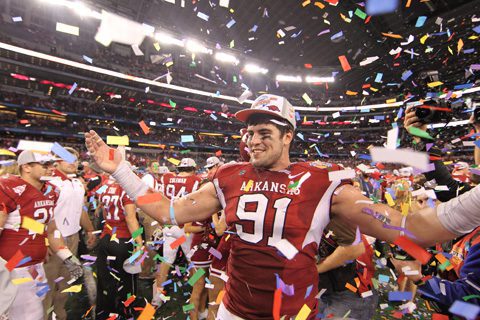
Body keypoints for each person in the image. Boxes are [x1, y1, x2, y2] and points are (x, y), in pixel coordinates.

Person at [85, 94, 480, 319]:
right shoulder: (228, 176)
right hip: (234, 311)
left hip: (291, 314)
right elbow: (168, 212)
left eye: (264, 132)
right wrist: (121, 170)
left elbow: (413, 229)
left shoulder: (328, 184)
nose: (252, 141)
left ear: (288, 136)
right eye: (249, 132)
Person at [0, 150, 83, 320]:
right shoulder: (9, 188)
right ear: (27, 167)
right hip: (14, 266)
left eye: (52, 164)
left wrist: (67, 256)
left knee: (38, 310)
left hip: (36, 266)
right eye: (45, 165)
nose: (51, 168)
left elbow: (51, 230)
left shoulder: (51, 191)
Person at [43, 147, 96, 320]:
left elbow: (80, 210)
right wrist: (43, 241)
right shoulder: (49, 184)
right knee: (48, 284)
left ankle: (60, 314)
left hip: (73, 237)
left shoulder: (77, 183)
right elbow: (40, 214)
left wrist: (89, 229)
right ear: (57, 161)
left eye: (75, 159)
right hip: (53, 239)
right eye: (68, 159)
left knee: (65, 282)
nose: (74, 163)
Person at [152, 158, 201, 306]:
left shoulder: (167, 178)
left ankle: (157, 299)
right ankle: (195, 295)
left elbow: (157, 199)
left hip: (169, 226)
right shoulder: (196, 180)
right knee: (193, 263)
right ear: (193, 169)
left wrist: (161, 222)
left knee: (166, 262)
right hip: (185, 227)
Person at [96, 177, 143, 319]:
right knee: (127, 279)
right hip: (123, 239)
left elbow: (103, 211)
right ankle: (127, 310)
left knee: (106, 279)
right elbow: (130, 218)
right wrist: (139, 242)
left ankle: (106, 311)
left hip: (106, 237)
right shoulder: (126, 189)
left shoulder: (105, 186)